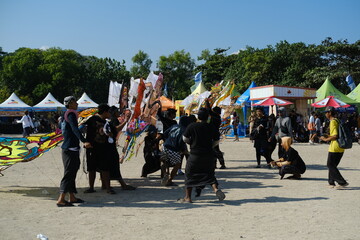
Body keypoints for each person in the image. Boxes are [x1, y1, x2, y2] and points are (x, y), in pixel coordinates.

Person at [179, 108, 225, 203]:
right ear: (208, 117)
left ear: (198, 116)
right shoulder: (211, 126)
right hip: (208, 155)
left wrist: (191, 143)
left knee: (189, 174)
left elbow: (184, 138)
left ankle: (188, 197)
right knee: (209, 174)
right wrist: (211, 146)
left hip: (195, 154)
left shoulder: (192, 126)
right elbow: (217, 140)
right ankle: (216, 189)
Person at [57, 96, 91, 207]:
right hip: (69, 147)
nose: (77, 103)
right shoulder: (71, 114)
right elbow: (74, 128)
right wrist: (84, 140)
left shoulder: (68, 114)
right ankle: (61, 199)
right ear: (70, 103)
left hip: (71, 147)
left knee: (72, 171)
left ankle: (72, 197)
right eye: (75, 102)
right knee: (69, 173)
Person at [84, 104, 116, 194]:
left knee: (105, 168)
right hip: (92, 147)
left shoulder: (107, 122)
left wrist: (111, 134)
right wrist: (85, 142)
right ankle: (91, 187)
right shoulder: (92, 120)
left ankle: (108, 187)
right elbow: (86, 131)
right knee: (91, 168)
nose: (110, 113)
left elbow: (114, 132)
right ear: (105, 112)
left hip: (104, 148)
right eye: (109, 112)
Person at [320, 107, 349, 189]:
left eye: (326, 112)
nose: (325, 114)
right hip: (341, 147)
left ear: (329, 113)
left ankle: (342, 182)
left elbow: (335, 136)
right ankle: (331, 182)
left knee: (330, 164)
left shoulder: (332, 122)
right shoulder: (338, 120)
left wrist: (325, 139)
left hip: (335, 146)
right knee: (333, 165)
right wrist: (327, 136)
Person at [108, 106, 136, 190]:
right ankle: (122, 185)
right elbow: (116, 129)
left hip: (113, 142)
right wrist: (126, 121)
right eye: (117, 111)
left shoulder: (111, 119)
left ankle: (106, 184)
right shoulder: (114, 120)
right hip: (111, 144)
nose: (118, 113)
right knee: (114, 164)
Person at [161, 116, 188, 186]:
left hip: (165, 146)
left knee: (164, 161)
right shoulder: (184, 130)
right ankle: (169, 180)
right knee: (177, 164)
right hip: (174, 149)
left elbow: (165, 134)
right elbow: (181, 142)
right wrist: (182, 150)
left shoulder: (174, 126)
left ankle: (165, 174)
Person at [205, 99, 226, 169]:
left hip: (213, 135)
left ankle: (222, 163)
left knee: (216, 150)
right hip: (215, 135)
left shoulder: (216, 117)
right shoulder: (217, 117)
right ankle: (215, 164)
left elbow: (209, 110)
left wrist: (207, 102)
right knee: (214, 149)